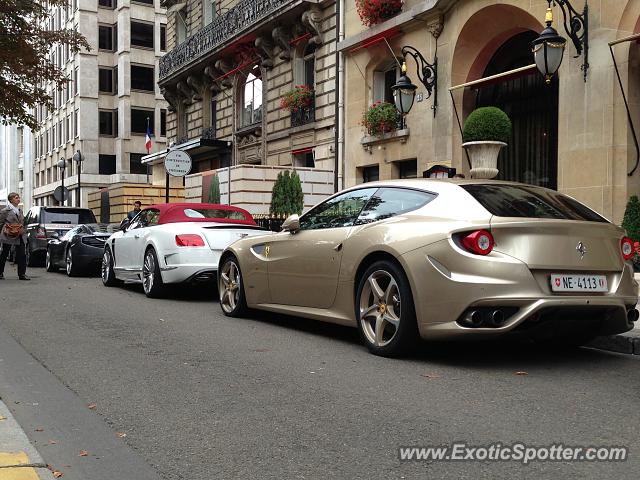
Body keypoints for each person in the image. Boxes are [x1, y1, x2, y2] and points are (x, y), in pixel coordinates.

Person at [0, 192, 29, 280]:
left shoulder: (20, 210)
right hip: (8, 235)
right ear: (11, 200)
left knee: (22, 254)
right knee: (4, 254)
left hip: (19, 235)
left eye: (18, 197)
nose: (18, 199)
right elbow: (1, 223)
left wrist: (23, 230)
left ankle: (22, 274)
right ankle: (0, 273)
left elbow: (23, 222)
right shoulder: (5, 211)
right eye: (16, 198)